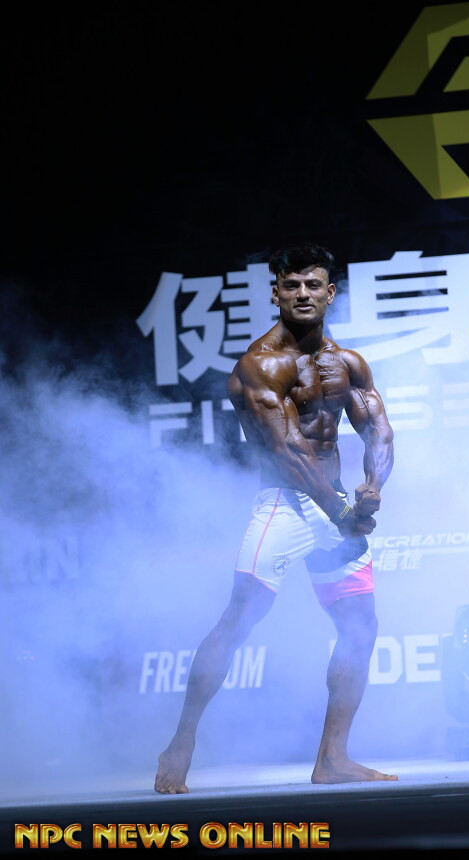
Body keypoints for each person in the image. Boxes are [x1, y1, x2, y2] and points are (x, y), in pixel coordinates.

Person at [154, 243, 396, 792]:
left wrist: (372, 488)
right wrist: (343, 512)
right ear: (276, 293)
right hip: (284, 509)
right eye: (292, 285)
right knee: (239, 621)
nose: (303, 294)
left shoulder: (348, 363)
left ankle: (332, 758)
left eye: (313, 285)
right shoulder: (260, 364)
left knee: (360, 626)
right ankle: (181, 741)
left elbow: (379, 430)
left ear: (330, 292)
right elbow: (288, 450)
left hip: (336, 508)